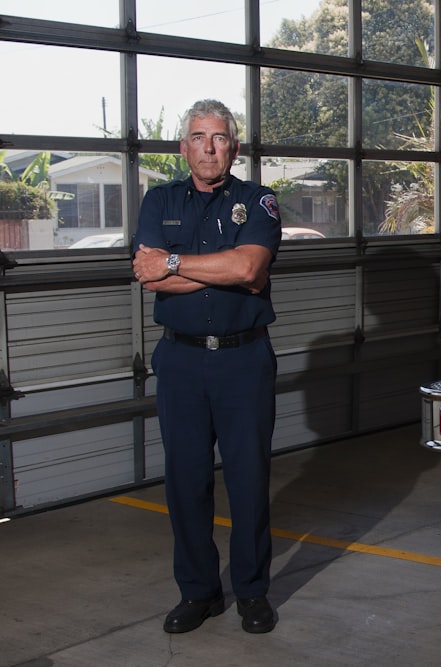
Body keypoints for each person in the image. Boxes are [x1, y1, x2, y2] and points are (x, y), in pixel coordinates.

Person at [132, 99, 282, 634]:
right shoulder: (160, 200)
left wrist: (176, 262)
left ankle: (251, 593)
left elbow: (249, 267)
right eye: (198, 137)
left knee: (248, 480)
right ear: (184, 147)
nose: (208, 147)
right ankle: (199, 593)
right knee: (186, 481)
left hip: (244, 360)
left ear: (233, 147)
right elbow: (149, 276)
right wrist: (222, 269)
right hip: (181, 361)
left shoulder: (258, 201)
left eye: (218, 138)